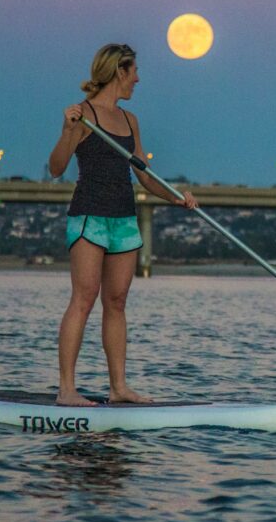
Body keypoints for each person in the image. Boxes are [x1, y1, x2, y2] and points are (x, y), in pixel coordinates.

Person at [48, 43, 196, 406]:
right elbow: (55, 168)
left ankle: (118, 389)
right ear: (119, 71)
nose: (138, 79)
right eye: (134, 72)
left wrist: (175, 197)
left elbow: (145, 176)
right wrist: (68, 131)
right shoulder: (81, 115)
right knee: (84, 299)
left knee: (116, 301)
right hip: (89, 217)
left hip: (123, 219)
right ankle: (67, 390)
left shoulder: (131, 121)